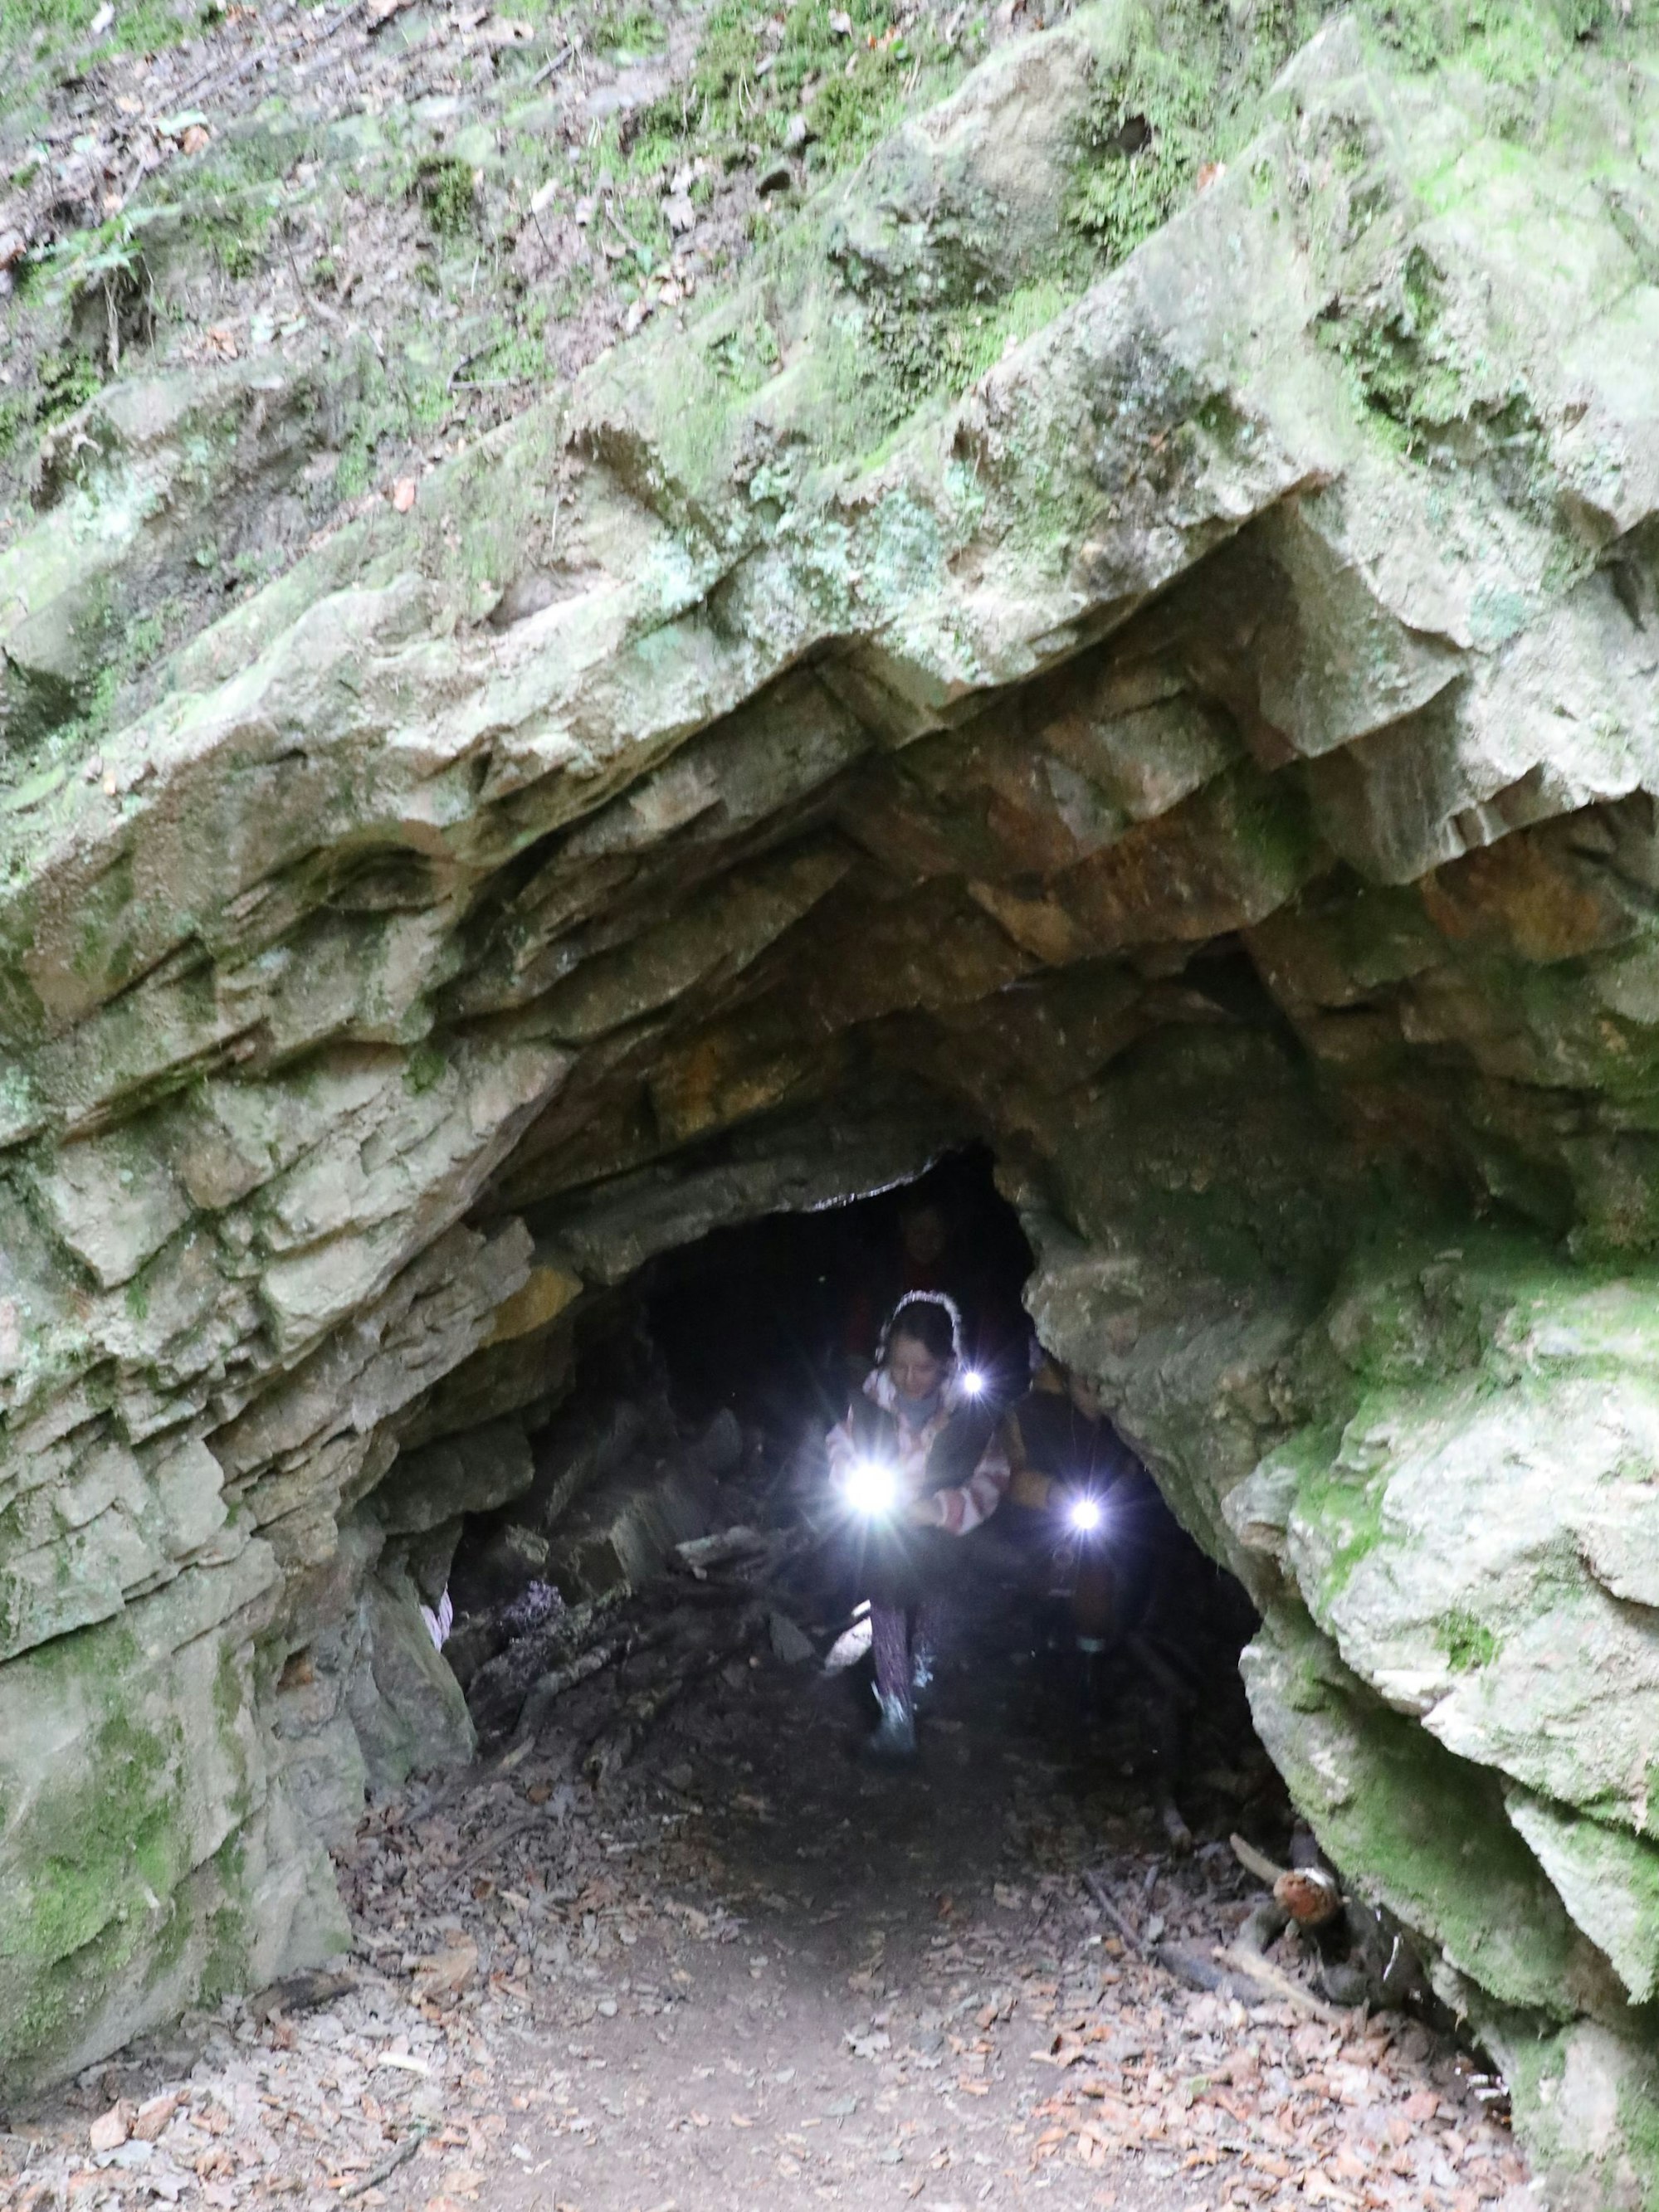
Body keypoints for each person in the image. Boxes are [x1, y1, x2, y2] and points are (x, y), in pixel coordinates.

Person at [826, 1293, 1011, 1762]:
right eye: (900, 1366)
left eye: (923, 1368)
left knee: (936, 1599)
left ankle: (922, 1678)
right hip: (887, 1528)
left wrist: (943, 1508)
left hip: (942, 1536)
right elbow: (840, 1450)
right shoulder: (870, 1404)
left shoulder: (967, 1419)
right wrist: (862, 1488)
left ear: (946, 1364)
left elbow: (992, 1477)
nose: (910, 1379)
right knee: (887, 1600)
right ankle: (896, 1717)